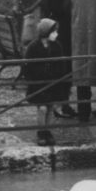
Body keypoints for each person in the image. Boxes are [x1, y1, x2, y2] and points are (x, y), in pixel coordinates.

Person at [23, 18, 71, 146]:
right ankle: (41, 132)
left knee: (50, 107)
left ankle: (48, 131)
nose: (57, 34)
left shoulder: (57, 46)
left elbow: (62, 64)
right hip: (38, 83)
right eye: (54, 32)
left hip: (53, 82)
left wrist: (59, 77)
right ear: (45, 32)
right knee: (42, 108)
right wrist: (32, 81)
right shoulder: (33, 47)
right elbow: (27, 66)